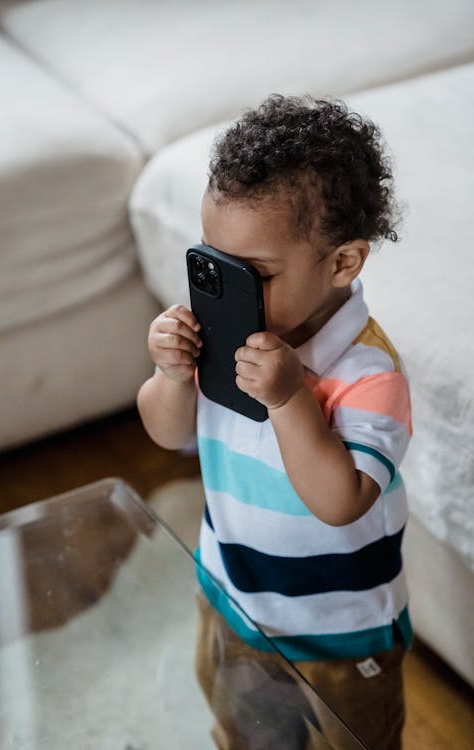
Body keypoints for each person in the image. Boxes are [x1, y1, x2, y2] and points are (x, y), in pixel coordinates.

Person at [137, 94, 412, 750]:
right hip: (233, 602)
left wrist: (291, 401)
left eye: (253, 275)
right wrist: (171, 376)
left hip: (338, 638)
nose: (228, 294)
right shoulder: (222, 338)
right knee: (243, 736)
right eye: (215, 264)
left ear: (342, 262)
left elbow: (340, 501)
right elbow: (168, 433)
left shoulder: (370, 377)